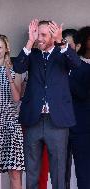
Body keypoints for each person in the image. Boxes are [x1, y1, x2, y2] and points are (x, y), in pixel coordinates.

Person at [13, 19, 81, 189]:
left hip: (57, 121)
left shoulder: (62, 53)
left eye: (43, 35)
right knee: (32, 171)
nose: (39, 38)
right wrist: (30, 41)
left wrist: (61, 42)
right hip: (33, 120)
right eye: (38, 34)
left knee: (59, 171)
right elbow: (18, 67)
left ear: (53, 36)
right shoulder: (32, 54)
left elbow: (76, 63)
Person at [0, 34, 24, 189]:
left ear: (6, 49)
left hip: (11, 123)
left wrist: (9, 77)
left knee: (14, 172)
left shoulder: (15, 68)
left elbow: (16, 98)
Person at [68, 26, 90, 189]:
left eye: (69, 46)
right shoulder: (51, 67)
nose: (65, 49)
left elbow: (83, 93)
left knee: (83, 172)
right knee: (59, 173)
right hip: (56, 126)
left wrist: (66, 76)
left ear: (77, 46)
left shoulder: (86, 69)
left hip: (81, 127)